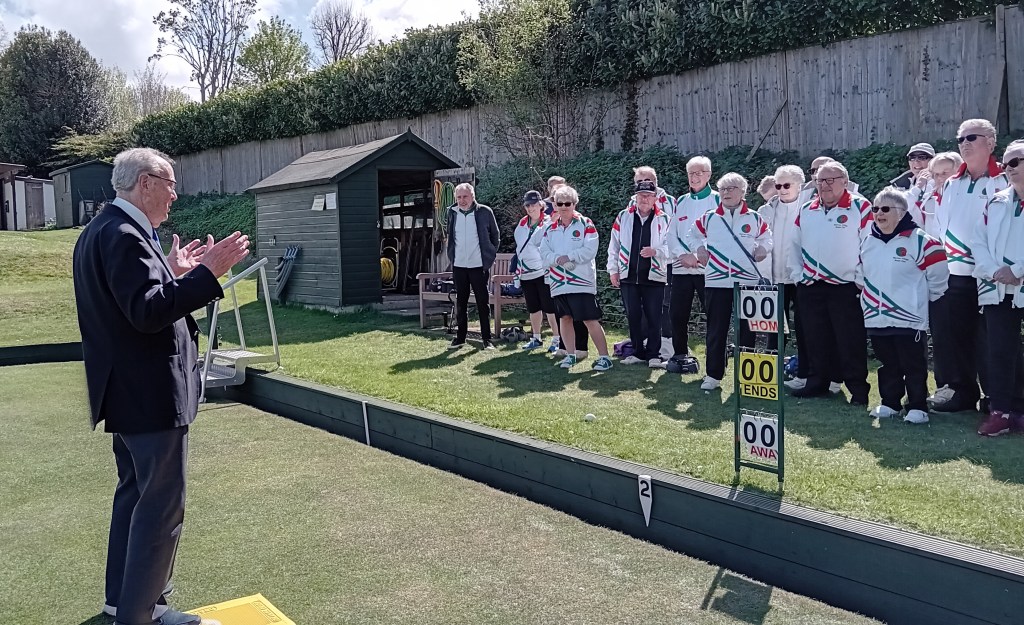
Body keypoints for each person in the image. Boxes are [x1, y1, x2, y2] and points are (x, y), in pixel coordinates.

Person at [73, 148, 250, 625]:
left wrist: (171, 271)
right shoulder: (123, 233)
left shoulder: (106, 229)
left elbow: (135, 297)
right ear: (145, 183)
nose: (175, 194)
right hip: (149, 394)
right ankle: (142, 614)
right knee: (160, 507)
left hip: (130, 394)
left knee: (135, 496)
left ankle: (125, 603)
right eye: (170, 184)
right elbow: (148, 312)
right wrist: (208, 273)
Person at [929, 119, 1009, 413]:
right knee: (957, 335)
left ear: (990, 142)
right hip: (957, 274)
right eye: (960, 139)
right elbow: (942, 226)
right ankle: (962, 392)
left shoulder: (1004, 180)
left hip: (993, 275)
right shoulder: (952, 183)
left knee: (992, 339)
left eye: (971, 137)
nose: (964, 143)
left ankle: (997, 397)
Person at [860, 187, 948, 424]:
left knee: (913, 364)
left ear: (901, 212)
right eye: (875, 209)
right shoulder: (868, 241)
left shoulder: (921, 240)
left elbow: (939, 276)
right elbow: (860, 272)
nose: (879, 214)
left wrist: (921, 299)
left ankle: (918, 406)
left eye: (885, 209)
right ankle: (890, 402)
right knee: (887, 363)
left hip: (909, 317)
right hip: (876, 316)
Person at [787, 160, 872, 405]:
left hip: (845, 287)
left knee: (850, 340)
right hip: (811, 286)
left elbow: (869, 245)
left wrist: (859, 279)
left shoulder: (861, 207)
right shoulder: (807, 209)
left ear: (845, 182)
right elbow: (794, 245)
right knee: (814, 338)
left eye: (830, 180)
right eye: (820, 180)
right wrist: (798, 276)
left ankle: (858, 389)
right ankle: (818, 383)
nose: (824, 185)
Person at [682, 172, 772, 390]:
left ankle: (748, 378)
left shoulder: (754, 217)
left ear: (743, 192)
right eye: (722, 189)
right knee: (716, 329)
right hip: (716, 281)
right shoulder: (709, 217)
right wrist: (699, 249)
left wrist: (763, 248)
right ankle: (713, 375)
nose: (726, 193)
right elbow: (691, 235)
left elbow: (767, 237)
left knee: (748, 330)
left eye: (731, 188)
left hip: (747, 282)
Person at [972, 139, 1024, 436]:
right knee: (1000, 351)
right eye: (1006, 164)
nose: (1008, 168)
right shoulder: (996, 201)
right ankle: (1002, 412)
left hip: (1017, 280)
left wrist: (1017, 270)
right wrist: (994, 271)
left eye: (1016, 162)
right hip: (998, 288)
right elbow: (978, 241)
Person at [539, 185, 613, 371]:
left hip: (581, 282)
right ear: (554, 205)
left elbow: (590, 250)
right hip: (558, 283)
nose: (564, 207)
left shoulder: (586, 223)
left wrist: (569, 257)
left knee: (589, 319)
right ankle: (570, 355)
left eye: (568, 203)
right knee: (564, 318)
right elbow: (544, 253)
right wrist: (557, 259)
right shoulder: (549, 229)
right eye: (560, 203)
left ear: (574, 204)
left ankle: (604, 357)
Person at [607, 180, 671, 367]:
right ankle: (637, 353)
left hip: (655, 275)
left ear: (655, 198)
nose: (644, 199)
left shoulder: (665, 219)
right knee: (633, 316)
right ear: (635, 197)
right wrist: (613, 270)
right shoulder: (623, 216)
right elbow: (614, 245)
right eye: (641, 195)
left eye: (648, 196)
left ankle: (653, 355)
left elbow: (672, 247)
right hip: (628, 275)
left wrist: (656, 251)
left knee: (654, 317)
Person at [759, 165, 810, 386]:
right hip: (773, 277)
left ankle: (804, 374)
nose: (781, 190)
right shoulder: (767, 210)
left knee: (804, 327)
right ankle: (771, 374)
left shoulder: (809, 209)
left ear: (799, 185)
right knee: (773, 328)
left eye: (786, 185)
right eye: (778, 185)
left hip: (800, 278)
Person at [667, 156, 717, 367]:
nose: (694, 177)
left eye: (699, 173)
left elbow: (719, 234)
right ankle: (680, 356)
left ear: (709, 175)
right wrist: (682, 255)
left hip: (708, 270)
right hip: (681, 269)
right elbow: (671, 234)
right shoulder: (681, 201)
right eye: (691, 173)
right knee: (677, 315)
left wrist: (697, 255)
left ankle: (716, 359)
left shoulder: (717, 199)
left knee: (714, 316)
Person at [446, 182, 501, 350]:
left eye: (465, 196)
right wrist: (452, 256)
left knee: (482, 302)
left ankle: (486, 339)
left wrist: (489, 255)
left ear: (472, 196)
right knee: (461, 302)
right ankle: (460, 338)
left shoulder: (485, 211)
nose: (462, 200)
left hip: (478, 265)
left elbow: (495, 236)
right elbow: (450, 235)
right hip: (459, 265)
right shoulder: (452, 212)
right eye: (459, 197)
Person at [545, 175, 589, 357]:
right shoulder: (548, 217)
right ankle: (564, 347)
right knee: (563, 314)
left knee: (580, 314)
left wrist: (568, 258)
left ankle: (581, 348)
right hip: (556, 275)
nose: (562, 204)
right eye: (555, 191)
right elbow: (542, 245)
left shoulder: (580, 220)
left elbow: (586, 247)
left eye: (561, 188)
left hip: (578, 275)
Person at [515, 190, 560, 350]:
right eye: (527, 205)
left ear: (541, 205)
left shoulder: (549, 221)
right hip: (526, 272)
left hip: (543, 271)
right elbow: (521, 245)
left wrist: (548, 224)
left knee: (550, 308)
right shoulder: (522, 223)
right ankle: (536, 338)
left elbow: (540, 241)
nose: (530, 208)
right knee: (533, 308)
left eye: (533, 204)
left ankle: (557, 340)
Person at [891, 143, 936, 218]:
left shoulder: (940, 183)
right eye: (912, 158)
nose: (916, 162)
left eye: (922, 157)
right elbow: (899, 210)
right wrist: (918, 187)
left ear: (933, 161)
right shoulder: (899, 185)